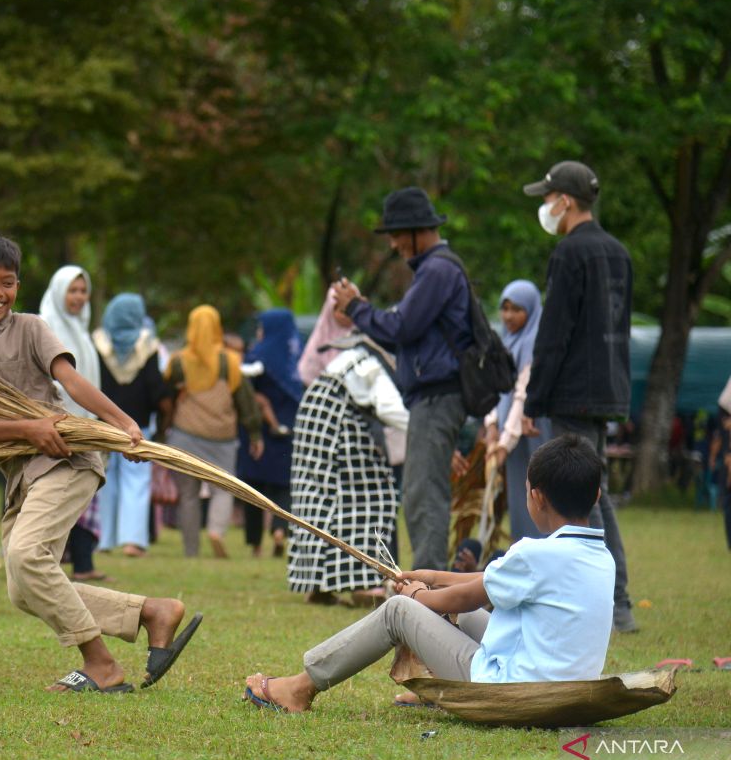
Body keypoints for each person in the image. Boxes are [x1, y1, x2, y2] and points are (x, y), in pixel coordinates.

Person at [0, 233, 201, 693]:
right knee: (22, 587)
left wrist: (121, 421)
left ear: (19, 285)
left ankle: (100, 664)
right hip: (22, 472)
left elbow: (71, 381)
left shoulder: (32, 328)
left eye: (8, 282)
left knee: (26, 556)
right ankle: (150, 612)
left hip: (67, 458)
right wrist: (28, 428)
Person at [242, 434, 614, 712]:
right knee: (450, 610)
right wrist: (432, 576)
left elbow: (467, 595)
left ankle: (300, 688)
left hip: (513, 692)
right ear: (596, 495)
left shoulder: (535, 554)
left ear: (537, 497)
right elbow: (491, 580)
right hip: (565, 694)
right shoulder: (600, 557)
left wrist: (417, 597)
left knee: (398, 612)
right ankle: (439, 690)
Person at [521, 160, 637, 633]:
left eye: (548, 198)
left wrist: (534, 399)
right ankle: (617, 601)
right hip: (609, 386)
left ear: (565, 201)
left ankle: (615, 602)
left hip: (573, 392)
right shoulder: (618, 253)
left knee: (584, 495)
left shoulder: (570, 254)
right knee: (594, 491)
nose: (546, 207)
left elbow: (554, 332)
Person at [334, 187, 472, 572]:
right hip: (430, 397)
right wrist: (359, 312)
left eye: (396, 234)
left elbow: (402, 326)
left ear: (417, 231)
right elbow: (401, 333)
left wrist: (358, 308)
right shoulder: (433, 270)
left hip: (439, 394)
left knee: (424, 494)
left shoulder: (437, 270)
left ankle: (428, 590)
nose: (394, 244)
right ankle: (428, 584)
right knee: (417, 493)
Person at [288, 310, 408, 607]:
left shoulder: (351, 359)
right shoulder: (371, 365)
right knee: (370, 497)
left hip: (314, 427)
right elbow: (390, 409)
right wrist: (429, 433)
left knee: (316, 501)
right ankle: (365, 585)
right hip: (338, 430)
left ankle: (319, 585)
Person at [163, 305, 263, 558]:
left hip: (185, 433)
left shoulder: (178, 362)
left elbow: (165, 397)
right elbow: (245, 400)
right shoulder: (230, 361)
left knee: (188, 494)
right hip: (222, 436)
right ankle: (217, 530)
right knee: (223, 487)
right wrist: (254, 433)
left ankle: (191, 550)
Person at [40, 265, 106, 580]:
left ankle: (83, 564)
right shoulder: (46, 327)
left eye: (82, 291)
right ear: (58, 291)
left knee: (83, 494)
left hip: (84, 425)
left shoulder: (81, 329)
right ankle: (57, 565)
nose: (78, 297)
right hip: (56, 427)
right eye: (72, 290)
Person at [93, 293, 168, 558]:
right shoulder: (147, 345)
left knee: (104, 479)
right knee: (136, 480)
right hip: (138, 426)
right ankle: (132, 541)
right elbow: (154, 386)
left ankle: (103, 539)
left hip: (103, 424)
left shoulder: (98, 342)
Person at [483, 281, 551, 542]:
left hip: (530, 434)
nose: (508, 316)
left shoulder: (534, 343)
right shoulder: (504, 342)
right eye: (505, 308)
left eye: (517, 310)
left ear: (532, 311)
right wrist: (491, 428)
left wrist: (503, 444)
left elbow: (522, 395)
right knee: (519, 504)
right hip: (507, 439)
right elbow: (495, 388)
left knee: (538, 499)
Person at [238, 309, 303, 558]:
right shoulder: (296, 356)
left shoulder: (258, 356)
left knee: (252, 486)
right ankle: (279, 530)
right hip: (290, 433)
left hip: (259, 433)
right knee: (283, 486)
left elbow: (245, 389)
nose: (258, 332)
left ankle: (255, 544)